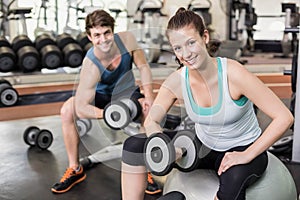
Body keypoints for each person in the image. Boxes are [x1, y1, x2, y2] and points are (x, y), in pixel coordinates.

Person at [121, 7, 294, 200]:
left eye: (191, 43)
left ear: (205, 37)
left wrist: (246, 155)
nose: (185, 54)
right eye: (178, 48)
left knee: (233, 183)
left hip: (243, 147)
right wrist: (164, 147)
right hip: (204, 147)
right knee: (133, 145)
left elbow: (284, 117)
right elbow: (151, 121)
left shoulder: (233, 74)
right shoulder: (177, 80)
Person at [51, 9, 162, 195]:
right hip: (101, 98)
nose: (103, 40)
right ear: (89, 37)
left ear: (113, 30)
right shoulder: (91, 65)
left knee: (147, 109)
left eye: (107, 33)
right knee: (67, 110)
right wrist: (109, 114)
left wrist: (149, 97)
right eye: (97, 35)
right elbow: (81, 106)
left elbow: (143, 67)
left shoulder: (127, 41)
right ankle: (75, 169)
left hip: (126, 92)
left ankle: (145, 169)